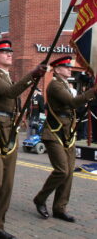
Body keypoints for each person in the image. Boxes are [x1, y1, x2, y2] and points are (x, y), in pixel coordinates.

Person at [0, 40, 46, 239]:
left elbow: (14, 99)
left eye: (10, 51)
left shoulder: (8, 77)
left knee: (6, 184)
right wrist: (32, 75)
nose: (9, 54)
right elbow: (9, 93)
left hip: (9, 130)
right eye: (4, 52)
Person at [33, 56, 96, 223]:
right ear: (57, 69)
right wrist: (92, 92)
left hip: (67, 131)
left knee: (69, 173)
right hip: (54, 132)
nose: (70, 69)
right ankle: (40, 198)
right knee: (62, 170)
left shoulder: (66, 85)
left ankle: (59, 208)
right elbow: (72, 102)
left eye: (70, 67)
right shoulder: (55, 85)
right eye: (66, 67)